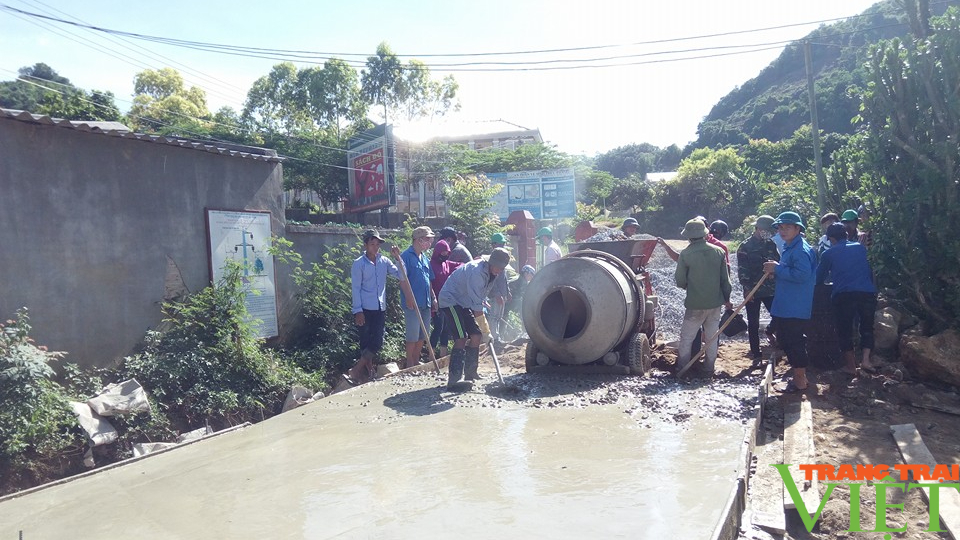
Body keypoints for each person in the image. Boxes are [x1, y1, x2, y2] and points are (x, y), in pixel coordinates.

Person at [348, 230, 416, 385]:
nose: (375, 247)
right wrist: (357, 310)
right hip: (364, 308)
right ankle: (368, 373)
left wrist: (398, 258)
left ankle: (356, 369)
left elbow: (401, 274)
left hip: (380, 307)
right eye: (372, 244)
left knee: (377, 341)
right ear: (365, 245)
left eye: (377, 244)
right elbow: (356, 288)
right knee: (365, 341)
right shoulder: (359, 264)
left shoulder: (384, 261)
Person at [438, 248, 512, 389]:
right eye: (499, 267)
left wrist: (483, 332)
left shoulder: (492, 273)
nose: (500, 270)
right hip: (451, 300)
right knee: (461, 337)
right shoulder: (477, 272)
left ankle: (471, 374)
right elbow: (477, 309)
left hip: (464, 302)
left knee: (476, 336)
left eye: (503, 268)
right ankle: (454, 379)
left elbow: (478, 298)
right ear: (491, 262)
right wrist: (487, 331)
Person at [763, 211, 817, 393]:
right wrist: (777, 271)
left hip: (795, 305)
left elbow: (802, 275)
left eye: (787, 227)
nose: (782, 230)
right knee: (787, 340)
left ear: (797, 228)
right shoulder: (790, 247)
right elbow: (791, 272)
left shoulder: (800, 250)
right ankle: (799, 378)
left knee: (794, 342)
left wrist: (777, 270)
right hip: (787, 304)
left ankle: (800, 381)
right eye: (780, 227)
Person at [816, 222, 878, 376]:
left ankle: (851, 367)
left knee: (845, 331)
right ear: (847, 235)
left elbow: (818, 279)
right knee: (867, 328)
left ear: (831, 238)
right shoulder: (860, 248)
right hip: (867, 292)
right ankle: (866, 360)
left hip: (844, 295)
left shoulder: (828, 253)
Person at [674, 219, 732, 377]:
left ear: (689, 237)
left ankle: (683, 368)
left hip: (695, 304)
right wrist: (726, 299)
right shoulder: (718, 251)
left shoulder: (686, 254)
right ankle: (708, 369)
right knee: (712, 337)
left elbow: (680, 280)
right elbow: (726, 282)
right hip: (715, 304)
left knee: (687, 338)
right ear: (705, 234)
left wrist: (689, 286)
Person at [736, 215, 780, 363]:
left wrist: (775, 272)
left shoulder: (771, 245)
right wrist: (747, 289)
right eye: (766, 230)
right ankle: (756, 353)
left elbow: (777, 262)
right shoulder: (745, 246)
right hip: (753, 290)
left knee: (778, 316)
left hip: (770, 289)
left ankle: (776, 340)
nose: (768, 233)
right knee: (753, 323)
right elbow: (742, 270)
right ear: (758, 229)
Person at [400, 226, 438, 369]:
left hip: (425, 302)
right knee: (412, 335)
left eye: (430, 240)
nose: (429, 243)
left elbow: (429, 281)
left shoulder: (425, 258)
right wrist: (409, 298)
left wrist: (433, 297)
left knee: (423, 335)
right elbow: (402, 280)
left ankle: (416, 360)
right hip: (412, 303)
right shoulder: (405, 256)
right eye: (427, 239)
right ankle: (409, 362)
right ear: (418, 239)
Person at [428, 239, 462, 358]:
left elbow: (461, 265)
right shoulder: (430, 264)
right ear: (437, 252)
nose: (445, 256)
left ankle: (443, 355)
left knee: (446, 329)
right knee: (438, 327)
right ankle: (431, 356)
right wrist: (433, 299)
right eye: (443, 253)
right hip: (435, 301)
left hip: (446, 301)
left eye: (447, 253)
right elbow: (429, 283)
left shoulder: (447, 263)